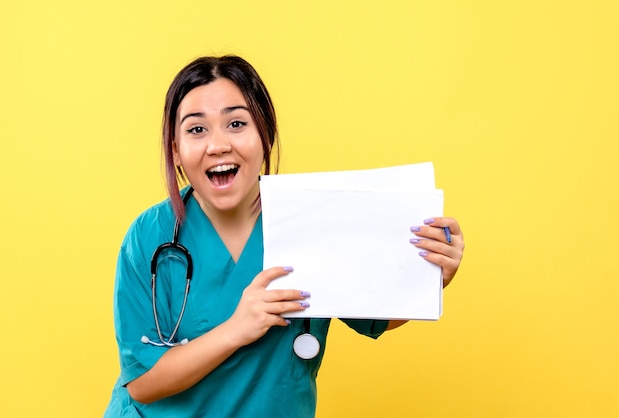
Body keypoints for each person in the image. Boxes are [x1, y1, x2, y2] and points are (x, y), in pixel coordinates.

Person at [104, 55, 465, 417]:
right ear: (176, 151)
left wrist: (431, 275)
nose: (218, 145)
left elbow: (375, 316)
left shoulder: (312, 217)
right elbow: (143, 383)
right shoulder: (149, 237)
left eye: (236, 123)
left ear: (265, 134)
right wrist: (236, 329)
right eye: (197, 130)